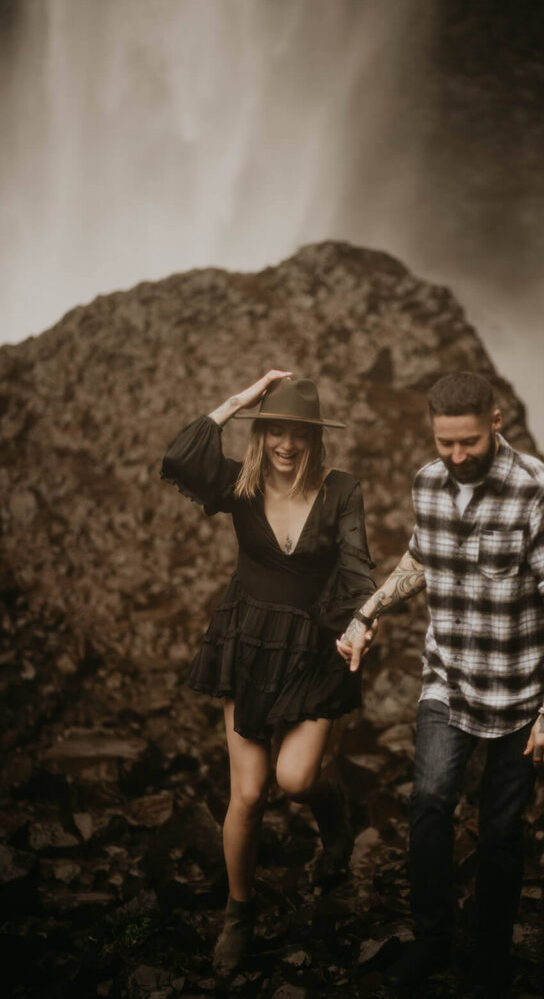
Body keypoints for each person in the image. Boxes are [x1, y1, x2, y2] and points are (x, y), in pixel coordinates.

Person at [338, 371, 544, 998]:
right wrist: (367, 613)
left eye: (468, 443)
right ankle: (432, 940)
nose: (455, 457)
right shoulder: (429, 482)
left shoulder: (543, 494)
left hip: (521, 692)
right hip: (447, 680)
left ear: (495, 422)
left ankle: (490, 957)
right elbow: (423, 557)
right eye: (444, 443)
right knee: (428, 806)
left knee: (501, 832)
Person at [161, 370, 376, 979]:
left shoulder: (342, 490)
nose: (285, 443)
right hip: (247, 644)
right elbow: (179, 456)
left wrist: (363, 620)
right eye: (274, 429)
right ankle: (239, 916)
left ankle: (336, 818)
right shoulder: (240, 484)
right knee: (250, 794)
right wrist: (238, 400)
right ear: (262, 432)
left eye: (297, 432)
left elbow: (359, 568)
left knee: (298, 779)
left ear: (314, 438)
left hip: (312, 649)